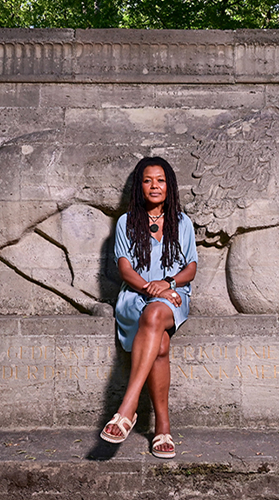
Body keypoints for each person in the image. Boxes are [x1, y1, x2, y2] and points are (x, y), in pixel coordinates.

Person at [100, 157, 198, 459]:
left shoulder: (182, 222)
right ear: (139, 186)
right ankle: (163, 429)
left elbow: (191, 267)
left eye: (160, 180)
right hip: (134, 296)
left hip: (173, 296)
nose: (154, 186)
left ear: (169, 186)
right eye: (147, 180)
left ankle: (126, 409)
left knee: (156, 312)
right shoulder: (126, 222)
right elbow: (125, 268)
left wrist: (167, 284)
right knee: (161, 342)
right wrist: (149, 287)